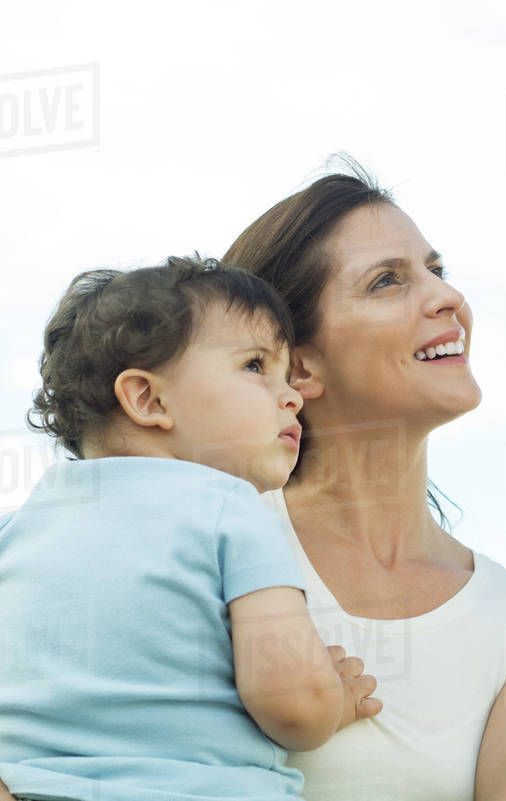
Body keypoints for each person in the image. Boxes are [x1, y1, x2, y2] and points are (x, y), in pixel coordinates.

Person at [222, 163, 506, 801]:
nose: (446, 298)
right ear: (301, 366)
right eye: (387, 281)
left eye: (436, 269)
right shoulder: (202, 544)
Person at [0, 257, 380, 801]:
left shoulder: (14, 531)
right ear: (149, 399)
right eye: (255, 366)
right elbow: (294, 706)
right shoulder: (231, 508)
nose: (292, 395)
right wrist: (332, 701)